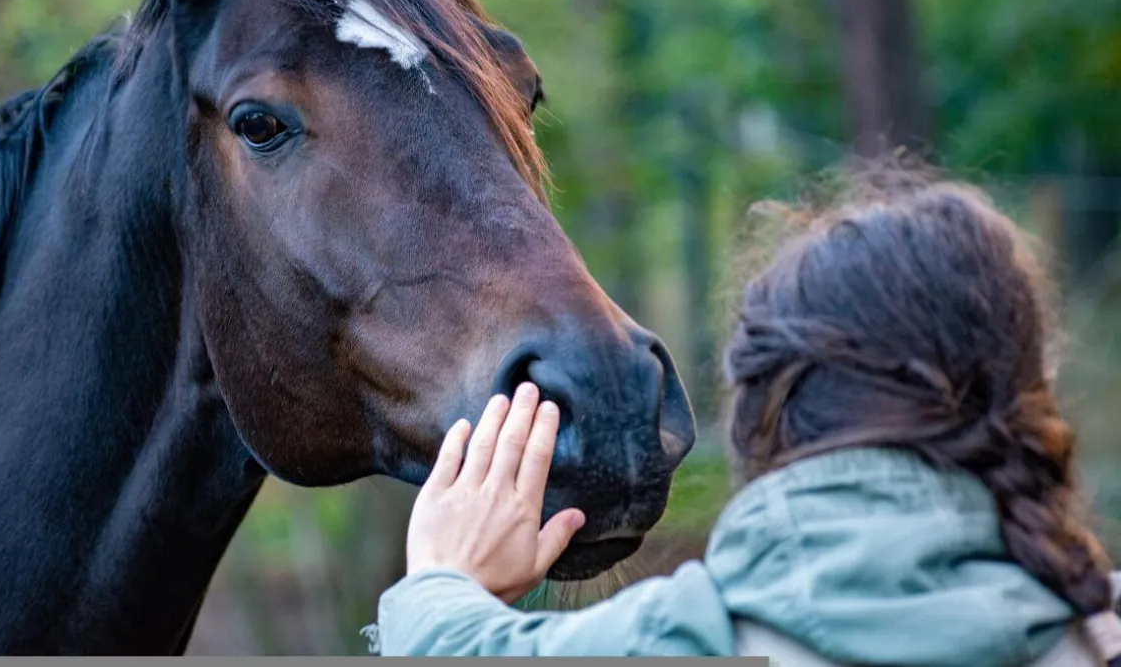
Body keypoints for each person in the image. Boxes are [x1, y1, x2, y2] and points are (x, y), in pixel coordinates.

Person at [365, 172, 1121, 664]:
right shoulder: (1095, 634)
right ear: (1027, 402)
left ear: (762, 412)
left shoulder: (673, 643)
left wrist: (441, 586)